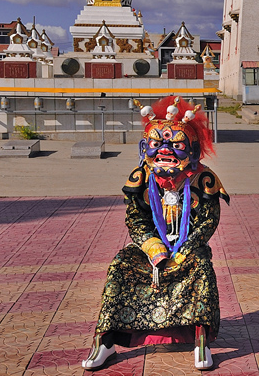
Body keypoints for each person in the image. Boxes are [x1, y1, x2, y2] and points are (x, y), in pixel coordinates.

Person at [83, 96, 228, 371]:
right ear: (145, 147)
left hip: (188, 247)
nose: (165, 150)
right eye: (157, 143)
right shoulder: (142, 176)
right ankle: (106, 340)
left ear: (191, 148)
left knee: (200, 267)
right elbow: (135, 218)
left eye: (175, 144)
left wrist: (185, 249)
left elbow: (208, 220)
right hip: (151, 249)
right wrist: (152, 246)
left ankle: (201, 341)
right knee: (120, 265)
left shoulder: (203, 178)